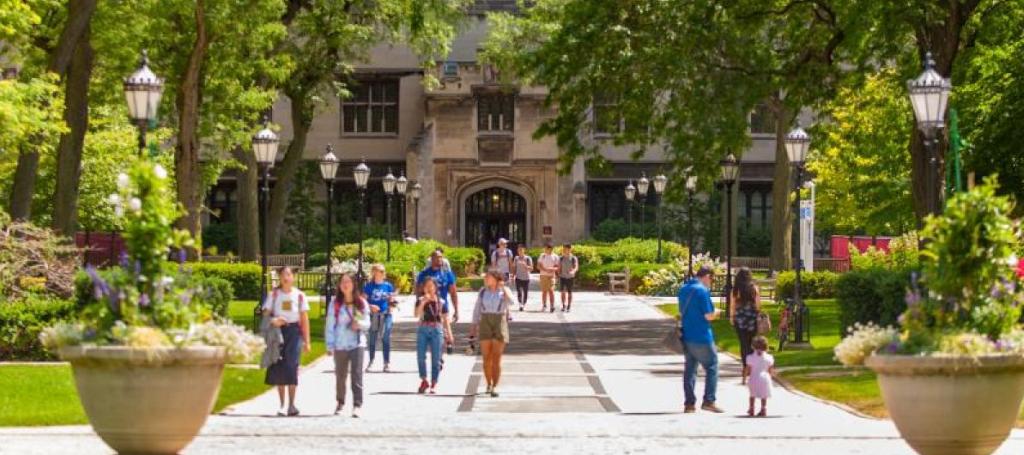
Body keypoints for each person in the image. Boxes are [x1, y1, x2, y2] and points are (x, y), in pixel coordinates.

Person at [262, 266, 311, 416]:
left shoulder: (299, 295)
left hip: (294, 333)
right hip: (278, 333)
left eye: (288, 275)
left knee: (292, 366)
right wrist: (274, 320)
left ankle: (292, 404)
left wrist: (307, 341)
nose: (286, 277)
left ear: (293, 277)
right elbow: (265, 315)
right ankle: (282, 404)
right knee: (279, 366)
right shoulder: (274, 295)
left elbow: (304, 319)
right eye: (283, 275)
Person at [678, 265, 724, 413]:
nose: (711, 282)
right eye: (712, 279)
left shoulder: (683, 289)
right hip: (702, 335)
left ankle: (689, 404)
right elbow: (708, 315)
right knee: (712, 366)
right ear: (707, 276)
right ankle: (709, 400)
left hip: (687, 335)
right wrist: (717, 313)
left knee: (690, 369)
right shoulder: (702, 291)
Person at [325, 273, 371, 417]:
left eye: (348, 282)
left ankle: (357, 404)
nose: (345, 284)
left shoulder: (361, 303)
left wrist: (359, 324)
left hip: (357, 343)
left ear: (353, 284)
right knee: (340, 376)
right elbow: (330, 325)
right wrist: (329, 345)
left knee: (357, 376)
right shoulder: (335, 304)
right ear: (339, 286)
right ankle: (340, 402)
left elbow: (367, 323)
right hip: (340, 344)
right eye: (342, 282)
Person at [470, 271, 514, 397]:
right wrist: (473, 327)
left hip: (499, 321)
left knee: (496, 358)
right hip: (485, 321)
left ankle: (495, 385)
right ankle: (488, 383)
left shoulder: (503, 290)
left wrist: (503, 289)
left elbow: (512, 302)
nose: (486, 279)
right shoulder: (483, 291)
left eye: (488, 277)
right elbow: (477, 309)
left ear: (495, 279)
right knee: (486, 357)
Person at [415, 276, 454, 394]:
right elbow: (416, 314)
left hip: (437, 329)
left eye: (431, 286)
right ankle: (424, 379)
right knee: (421, 356)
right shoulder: (420, 299)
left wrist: (449, 335)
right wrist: (423, 302)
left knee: (436, 358)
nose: (429, 288)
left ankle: (434, 382)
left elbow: (445, 319)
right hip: (423, 328)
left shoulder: (441, 301)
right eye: (427, 286)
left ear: (435, 288)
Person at [730, 267, 761, 385]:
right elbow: (758, 305)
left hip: (740, 319)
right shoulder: (754, 288)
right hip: (751, 318)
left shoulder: (736, 290)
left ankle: (745, 367)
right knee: (752, 343)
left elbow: (733, 305)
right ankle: (752, 366)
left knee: (743, 344)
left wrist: (732, 317)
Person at [364, 264, 397, 373]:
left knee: (385, 337)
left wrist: (392, 303)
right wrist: (370, 306)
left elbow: (392, 301)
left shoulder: (388, 286)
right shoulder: (368, 286)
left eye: (383, 271)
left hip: (386, 314)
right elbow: (362, 302)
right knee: (372, 339)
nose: (382, 273)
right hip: (373, 315)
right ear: (374, 273)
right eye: (380, 271)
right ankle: (371, 361)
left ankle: (386, 363)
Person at [416, 250, 460, 322]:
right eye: (438, 257)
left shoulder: (447, 274)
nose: (440, 259)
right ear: (432, 259)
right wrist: (420, 308)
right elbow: (419, 293)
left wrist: (456, 311)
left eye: (441, 257)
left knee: (443, 332)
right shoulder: (424, 274)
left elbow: (453, 293)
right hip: (427, 310)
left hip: (443, 309)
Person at [745, 336, 775, 417]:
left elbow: (748, 369)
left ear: (753, 346)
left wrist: (744, 378)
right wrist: (771, 377)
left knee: (752, 394)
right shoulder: (769, 358)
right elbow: (770, 370)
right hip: (765, 377)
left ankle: (751, 408)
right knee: (763, 395)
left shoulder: (750, 357)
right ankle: (763, 408)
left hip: (754, 377)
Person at [537, 244, 559, 313]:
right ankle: (544, 305)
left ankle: (552, 306)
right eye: (546, 249)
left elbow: (557, 267)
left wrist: (552, 269)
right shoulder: (542, 255)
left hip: (551, 276)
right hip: (543, 275)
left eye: (548, 249)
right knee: (544, 291)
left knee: (551, 291)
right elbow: (538, 266)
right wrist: (545, 269)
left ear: (551, 249)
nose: (546, 250)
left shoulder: (555, 256)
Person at [558, 244, 579, 313]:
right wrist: (557, 274)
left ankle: (569, 306)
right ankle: (563, 305)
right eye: (564, 249)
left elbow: (576, 267)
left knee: (569, 292)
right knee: (563, 292)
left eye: (566, 249)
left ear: (570, 249)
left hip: (570, 277)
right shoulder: (561, 258)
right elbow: (559, 267)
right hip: (562, 277)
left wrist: (573, 271)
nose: (564, 250)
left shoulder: (573, 258)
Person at [512, 245, 533, 311]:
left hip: (526, 278)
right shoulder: (516, 258)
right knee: (519, 292)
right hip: (518, 277)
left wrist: (526, 266)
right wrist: (513, 276)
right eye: (519, 250)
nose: (520, 251)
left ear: (524, 250)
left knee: (525, 292)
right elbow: (514, 268)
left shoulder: (528, 258)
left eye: (521, 250)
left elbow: (531, 268)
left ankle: (524, 304)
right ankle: (520, 304)